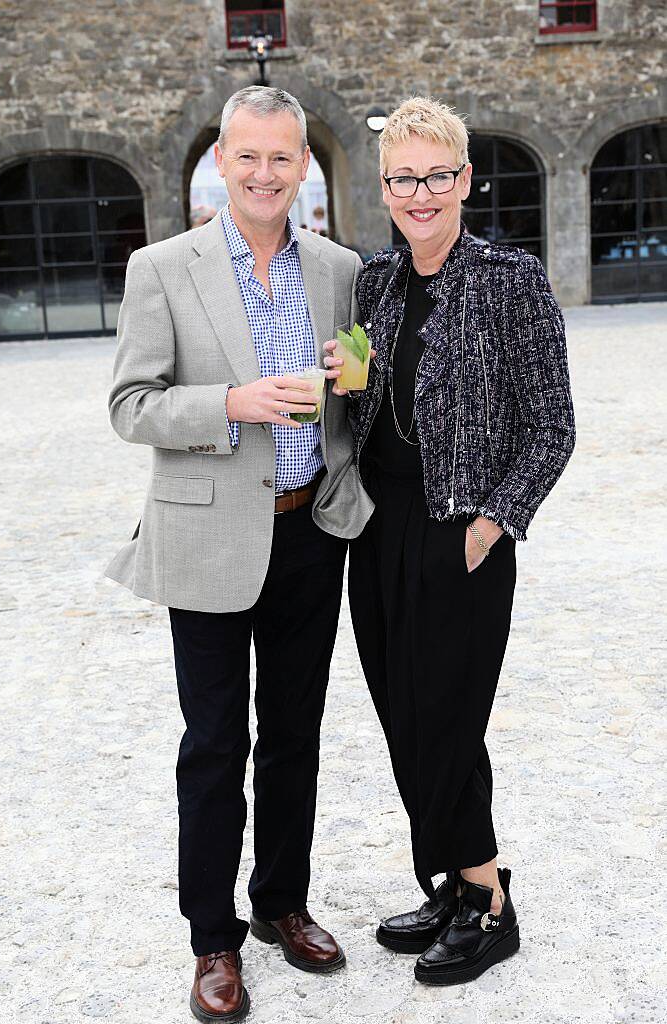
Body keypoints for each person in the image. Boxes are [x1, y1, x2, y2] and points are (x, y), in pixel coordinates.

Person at [105, 85, 373, 1022]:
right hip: (207, 535)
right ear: (221, 160)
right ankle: (212, 938)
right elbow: (130, 406)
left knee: (293, 736)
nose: (265, 174)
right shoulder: (160, 267)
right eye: (248, 157)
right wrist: (229, 403)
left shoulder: (340, 268)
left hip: (310, 532)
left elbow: (360, 386)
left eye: (282, 158)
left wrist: (354, 378)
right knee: (215, 745)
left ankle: (281, 905)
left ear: (306, 166)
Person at [324, 96, 575, 986]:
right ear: (384, 188)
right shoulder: (375, 282)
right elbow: (365, 406)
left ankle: (489, 901)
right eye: (403, 179)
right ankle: (452, 883)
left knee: (449, 718)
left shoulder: (510, 280)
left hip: (460, 534)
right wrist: (344, 379)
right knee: (403, 715)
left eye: (436, 175)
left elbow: (552, 428)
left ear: (464, 178)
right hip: (379, 530)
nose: (419, 193)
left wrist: (493, 522)